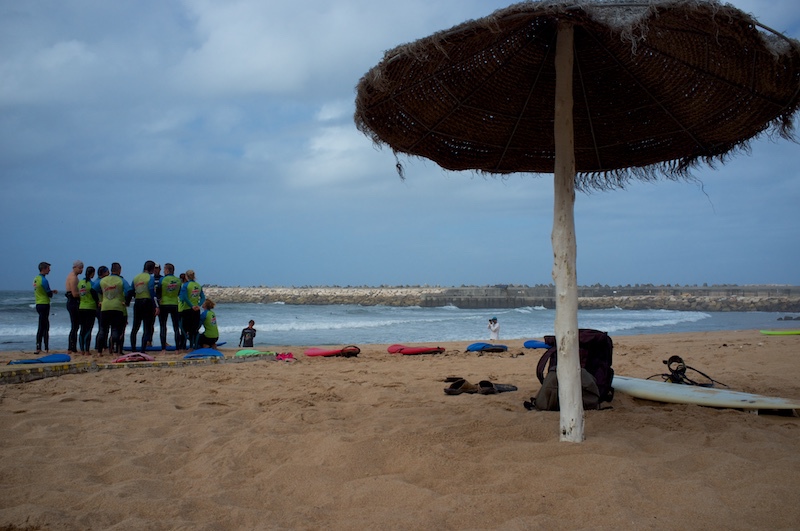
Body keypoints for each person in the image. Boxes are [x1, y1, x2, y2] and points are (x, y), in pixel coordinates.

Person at [100, 262, 132, 355]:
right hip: (118, 307)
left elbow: (93, 289)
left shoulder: (104, 280)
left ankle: (100, 352)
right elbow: (129, 291)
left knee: (103, 330)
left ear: (110, 270)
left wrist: (99, 300)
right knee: (117, 330)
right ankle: (117, 351)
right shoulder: (121, 280)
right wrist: (127, 302)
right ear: (119, 270)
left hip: (105, 307)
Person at [130, 261, 159, 353]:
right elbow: (152, 292)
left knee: (135, 327)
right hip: (147, 303)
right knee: (147, 327)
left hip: (137, 302)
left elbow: (131, 290)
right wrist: (156, 306)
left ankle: (133, 349)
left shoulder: (136, 278)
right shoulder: (150, 278)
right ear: (151, 268)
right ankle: (143, 349)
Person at [33, 261, 57, 353]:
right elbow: (48, 294)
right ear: (44, 269)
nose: (49, 270)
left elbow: (42, 290)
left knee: (42, 325)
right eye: (48, 268)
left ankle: (40, 346)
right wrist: (52, 293)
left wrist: (51, 291)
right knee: (45, 326)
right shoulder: (44, 280)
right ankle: (44, 347)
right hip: (44, 304)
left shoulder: (35, 279)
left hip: (38, 303)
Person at [158, 263, 182, 353]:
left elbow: (158, 292)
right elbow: (179, 292)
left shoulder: (162, 279)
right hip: (174, 304)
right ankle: (177, 349)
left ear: (167, 270)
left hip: (164, 304)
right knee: (176, 327)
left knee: (163, 326)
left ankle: (163, 349)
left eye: (164, 269)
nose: (163, 271)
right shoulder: (178, 280)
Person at [179, 269, 205, 350]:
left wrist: (191, 305)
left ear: (186, 276)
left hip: (187, 309)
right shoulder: (198, 285)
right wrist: (198, 305)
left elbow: (184, 297)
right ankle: (194, 347)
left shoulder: (185, 285)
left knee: (184, 329)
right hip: (196, 310)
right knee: (194, 330)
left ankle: (184, 347)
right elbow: (203, 297)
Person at [77, 266, 99, 355]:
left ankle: (81, 350)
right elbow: (95, 296)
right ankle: (87, 350)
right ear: (92, 273)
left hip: (81, 307)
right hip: (90, 308)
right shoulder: (92, 284)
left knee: (82, 329)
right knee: (89, 329)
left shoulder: (80, 283)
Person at [65, 260, 84, 353]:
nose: (82, 270)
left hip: (71, 301)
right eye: (80, 268)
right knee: (75, 325)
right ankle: (71, 347)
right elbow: (75, 294)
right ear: (75, 267)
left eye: (82, 268)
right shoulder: (73, 278)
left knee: (75, 325)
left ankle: (72, 347)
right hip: (73, 302)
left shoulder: (73, 276)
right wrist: (84, 295)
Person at [93, 266, 109, 351]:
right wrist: (98, 301)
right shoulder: (99, 282)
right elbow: (93, 290)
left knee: (103, 327)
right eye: (107, 272)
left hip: (100, 306)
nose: (108, 274)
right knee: (103, 327)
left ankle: (102, 345)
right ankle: (101, 345)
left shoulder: (98, 281)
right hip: (100, 307)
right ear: (103, 273)